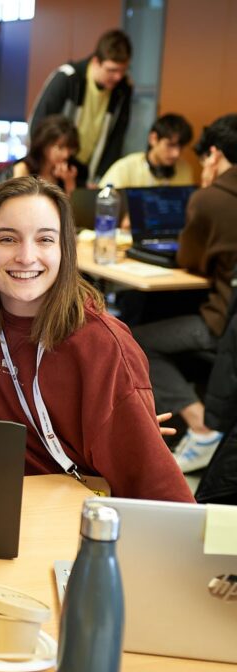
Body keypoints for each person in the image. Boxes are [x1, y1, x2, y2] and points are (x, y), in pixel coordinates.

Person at [0, 176, 192, 502]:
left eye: (45, 239)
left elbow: (163, 497)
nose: (26, 256)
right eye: (8, 239)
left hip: (74, 511)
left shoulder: (102, 346)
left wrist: (128, 426)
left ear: (65, 249)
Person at [132, 114, 237, 473]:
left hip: (223, 323)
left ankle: (201, 426)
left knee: (136, 341)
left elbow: (190, 259)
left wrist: (208, 191)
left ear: (214, 154)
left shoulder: (210, 198)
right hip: (229, 316)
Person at [29, 29, 133, 182]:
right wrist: (45, 166)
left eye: (123, 70)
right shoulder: (68, 78)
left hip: (86, 172)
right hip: (53, 167)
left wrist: (101, 176)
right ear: (96, 61)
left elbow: (116, 139)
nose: (118, 77)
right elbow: (38, 125)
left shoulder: (123, 90)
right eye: (112, 70)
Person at [99, 113, 195, 188]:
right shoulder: (126, 167)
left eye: (181, 147)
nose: (176, 154)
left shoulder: (184, 169)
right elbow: (104, 198)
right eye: (170, 145)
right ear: (153, 139)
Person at [13, 115, 87, 196]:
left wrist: (69, 182)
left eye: (70, 148)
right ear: (44, 144)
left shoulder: (73, 171)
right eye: (60, 147)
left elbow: (72, 203)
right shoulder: (23, 168)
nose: (66, 155)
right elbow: (16, 200)